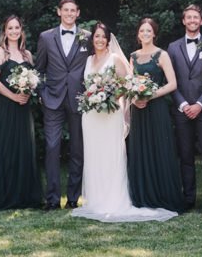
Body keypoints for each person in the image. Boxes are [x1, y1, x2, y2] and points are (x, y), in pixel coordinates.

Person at [70, 23, 176, 223]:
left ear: (109, 40)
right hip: (91, 116)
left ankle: (114, 200)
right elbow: (86, 87)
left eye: (103, 37)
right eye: (97, 36)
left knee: (112, 155)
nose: (100, 40)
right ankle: (96, 200)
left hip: (111, 114)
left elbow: (128, 85)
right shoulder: (88, 60)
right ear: (92, 39)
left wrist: (107, 95)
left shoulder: (116, 59)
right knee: (94, 155)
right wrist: (92, 97)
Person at [36, 0, 89, 209]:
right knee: (51, 147)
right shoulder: (46, 37)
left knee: (77, 150)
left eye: (72, 10)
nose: (69, 13)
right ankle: (52, 199)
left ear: (78, 13)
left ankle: (73, 199)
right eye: (65, 10)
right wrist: (41, 92)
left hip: (78, 99)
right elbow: (39, 69)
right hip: (52, 100)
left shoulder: (87, 37)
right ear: (59, 12)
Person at [126, 17, 182, 212]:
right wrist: (134, 98)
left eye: (149, 31)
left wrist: (151, 95)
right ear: (138, 34)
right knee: (140, 149)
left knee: (159, 148)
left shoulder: (162, 54)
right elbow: (128, 83)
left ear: (154, 33)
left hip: (156, 108)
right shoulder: (132, 56)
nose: (145, 34)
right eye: (142, 31)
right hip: (139, 111)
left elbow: (172, 83)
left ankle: (162, 195)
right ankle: (142, 195)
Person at [0, 14, 43, 209]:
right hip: (5, 107)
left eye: (16, 28)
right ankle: (6, 194)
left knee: (24, 147)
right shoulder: (0, 53)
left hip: (23, 107)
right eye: (10, 28)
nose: (13, 31)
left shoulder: (27, 55)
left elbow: (34, 79)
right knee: (6, 148)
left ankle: (24, 195)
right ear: (5, 31)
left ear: (21, 30)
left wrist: (28, 92)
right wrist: (13, 96)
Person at [167, 4, 202, 210]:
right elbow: (171, 80)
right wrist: (182, 104)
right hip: (181, 109)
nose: (192, 21)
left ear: (201, 21)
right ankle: (188, 199)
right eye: (188, 17)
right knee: (185, 155)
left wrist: (199, 104)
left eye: (195, 17)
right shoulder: (172, 47)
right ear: (183, 21)